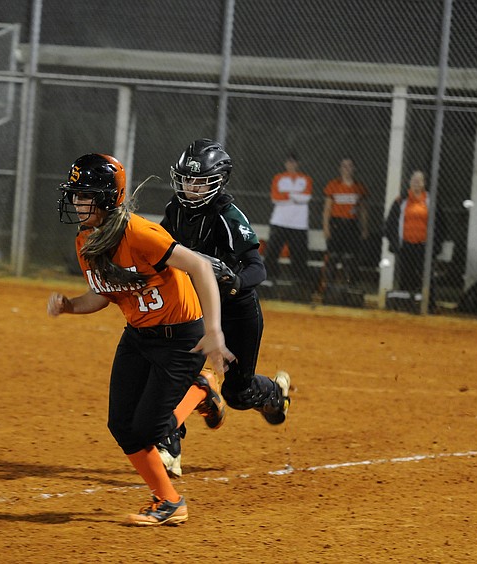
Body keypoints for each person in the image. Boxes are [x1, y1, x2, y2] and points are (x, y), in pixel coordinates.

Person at [47, 153, 234, 526]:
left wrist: (214, 331)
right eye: (76, 195)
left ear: (106, 198)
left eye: (85, 195)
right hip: (138, 337)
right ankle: (170, 499)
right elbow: (103, 294)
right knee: (121, 425)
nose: (77, 202)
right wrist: (70, 306)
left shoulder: (139, 233)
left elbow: (199, 266)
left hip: (180, 337)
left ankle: (198, 397)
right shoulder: (86, 240)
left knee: (149, 428)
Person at [156, 139, 292, 478]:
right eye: (186, 179)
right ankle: (169, 444)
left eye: (199, 181)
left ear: (218, 182)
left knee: (237, 393)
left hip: (237, 310)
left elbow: (257, 268)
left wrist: (235, 281)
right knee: (175, 372)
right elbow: (159, 248)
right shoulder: (175, 210)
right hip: (197, 308)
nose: (191, 187)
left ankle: (274, 393)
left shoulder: (227, 216)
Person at [383, 170, 444, 299]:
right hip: (406, 245)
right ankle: (407, 302)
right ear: (410, 182)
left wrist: (436, 245)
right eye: (414, 180)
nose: (416, 182)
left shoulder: (430, 201)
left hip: (424, 246)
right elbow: (390, 222)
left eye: (419, 180)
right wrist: (394, 241)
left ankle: (427, 302)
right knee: (406, 275)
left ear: (424, 183)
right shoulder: (401, 200)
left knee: (425, 275)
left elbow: (441, 224)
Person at [265, 152, 313, 292]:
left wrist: (286, 195)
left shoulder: (305, 179)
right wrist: (295, 196)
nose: (291, 164)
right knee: (272, 251)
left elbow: (306, 197)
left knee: (299, 254)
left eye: (293, 162)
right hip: (279, 221)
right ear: (285, 163)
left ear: (297, 163)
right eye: (289, 162)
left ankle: (298, 283)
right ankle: (268, 280)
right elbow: (275, 198)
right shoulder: (278, 178)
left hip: (299, 223)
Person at [322, 157, 369, 285]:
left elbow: (363, 210)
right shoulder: (334, 185)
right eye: (344, 166)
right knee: (333, 255)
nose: (347, 169)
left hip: (351, 224)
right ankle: (329, 285)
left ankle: (349, 285)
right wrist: (326, 227)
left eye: (350, 166)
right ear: (340, 168)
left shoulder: (359, 187)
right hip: (336, 224)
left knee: (350, 257)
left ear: (354, 169)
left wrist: (364, 227)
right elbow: (327, 208)